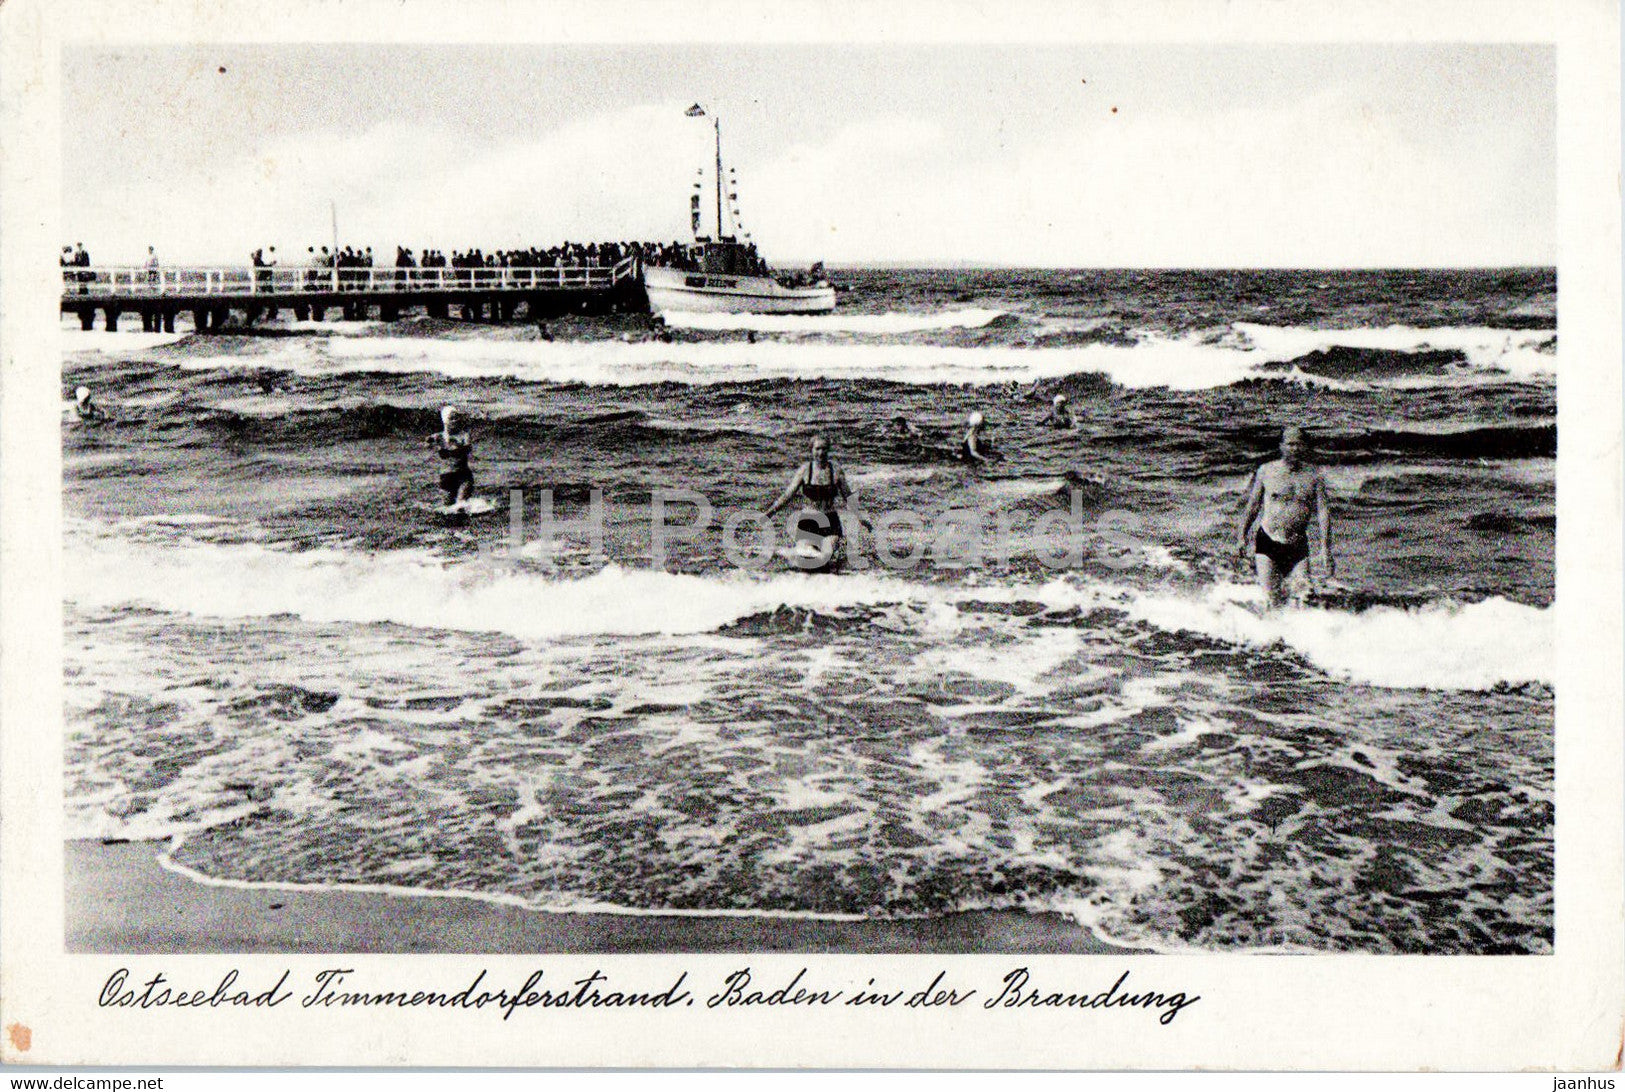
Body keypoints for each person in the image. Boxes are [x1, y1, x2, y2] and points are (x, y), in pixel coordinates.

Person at [1235, 425, 1334, 608]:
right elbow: (1253, 506)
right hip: (1268, 541)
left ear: (1304, 446)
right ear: (1281, 446)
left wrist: (1325, 549)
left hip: (1297, 545)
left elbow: (1323, 512)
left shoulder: (1314, 476)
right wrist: (1242, 536)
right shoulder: (1266, 471)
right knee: (1272, 601)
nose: (1294, 448)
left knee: (1304, 598)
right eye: (1290, 444)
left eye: (1298, 444)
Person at [765, 434, 851, 570]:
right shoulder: (805, 470)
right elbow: (788, 495)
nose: (821, 453)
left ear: (828, 450)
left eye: (824, 449)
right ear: (811, 450)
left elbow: (848, 497)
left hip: (830, 522)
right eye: (817, 449)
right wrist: (770, 512)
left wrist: (862, 518)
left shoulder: (836, 471)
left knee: (825, 557)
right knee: (806, 557)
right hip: (809, 521)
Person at [429, 406, 475, 508]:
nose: (455, 420)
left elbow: (467, 448)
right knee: (447, 508)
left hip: (463, 476)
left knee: (461, 505)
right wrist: (433, 444)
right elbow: (427, 443)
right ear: (445, 421)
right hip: (446, 477)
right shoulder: (438, 437)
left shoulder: (464, 436)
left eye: (457, 418)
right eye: (452, 418)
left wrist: (451, 450)